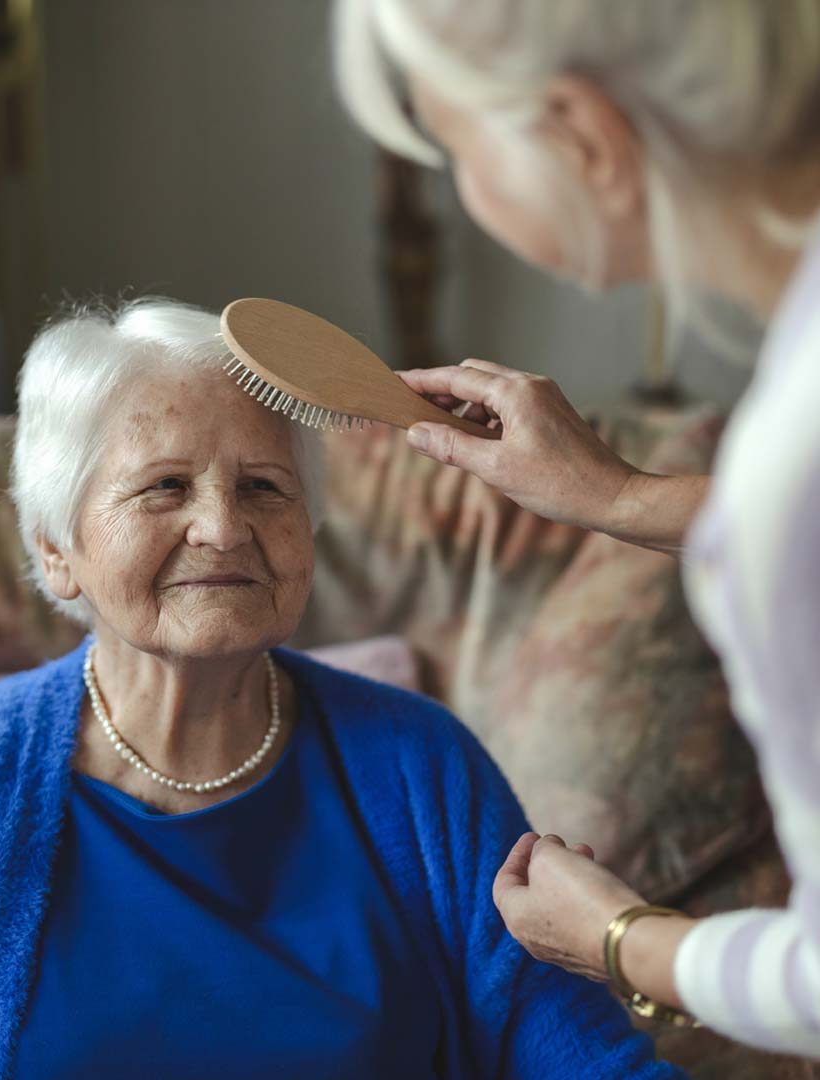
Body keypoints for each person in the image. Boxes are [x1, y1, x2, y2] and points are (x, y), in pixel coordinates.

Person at [0, 300, 685, 1078]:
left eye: (265, 487)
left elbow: (588, 1063)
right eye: (163, 486)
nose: (224, 529)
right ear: (56, 550)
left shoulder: (422, 769)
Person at [334, 0, 820, 1059]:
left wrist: (620, 938)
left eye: (454, 148)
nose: (466, 192)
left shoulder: (791, 473)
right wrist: (617, 495)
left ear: (583, 137)